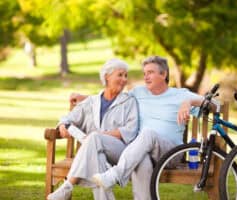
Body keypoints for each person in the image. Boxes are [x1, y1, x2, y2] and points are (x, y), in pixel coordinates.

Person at [71, 56, 208, 200]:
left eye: (150, 72)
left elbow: (212, 104)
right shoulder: (138, 93)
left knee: (148, 133)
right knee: (141, 160)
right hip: (142, 152)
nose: (146, 77)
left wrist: (189, 101)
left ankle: (115, 175)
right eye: (144, 73)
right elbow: (113, 98)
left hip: (170, 154)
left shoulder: (180, 95)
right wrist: (84, 98)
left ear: (163, 74)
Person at [47, 58, 139, 200]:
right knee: (97, 158)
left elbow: (131, 130)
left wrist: (101, 135)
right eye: (120, 75)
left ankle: (67, 186)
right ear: (107, 77)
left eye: (126, 75)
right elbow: (67, 118)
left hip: (120, 152)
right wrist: (61, 125)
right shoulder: (91, 102)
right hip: (94, 152)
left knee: (94, 137)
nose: (124, 79)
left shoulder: (129, 101)